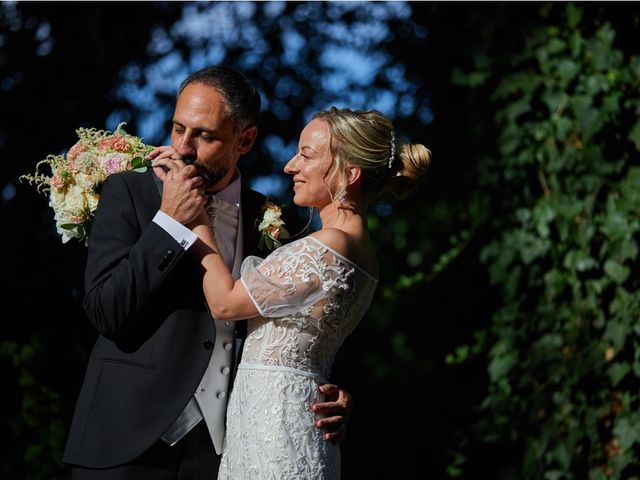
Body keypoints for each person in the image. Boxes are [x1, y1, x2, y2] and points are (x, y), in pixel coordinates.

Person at [63, 66, 352, 479]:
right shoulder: (128, 191)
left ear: (245, 139)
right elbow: (107, 310)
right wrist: (168, 223)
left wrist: (335, 391)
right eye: (178, 128)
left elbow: (309, 323)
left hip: (226, 451)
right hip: (126, 441)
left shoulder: (271, 220)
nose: (182, 147)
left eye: (205, 135)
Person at [154, 106, 432, 478]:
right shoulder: (363, 254)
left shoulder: (330, 245)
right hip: (283, 421)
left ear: (349, 174)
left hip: (276, 428)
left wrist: (195, 216)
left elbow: (224, 303)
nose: (290, 165)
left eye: (306, 154)